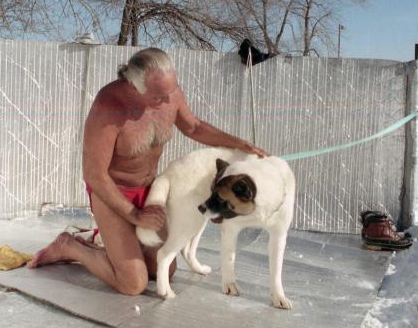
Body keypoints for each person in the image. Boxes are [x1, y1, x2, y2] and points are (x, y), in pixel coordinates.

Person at [27, 48, 266, 294]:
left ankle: (117, 252)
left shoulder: (169, 93)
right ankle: (70, 246)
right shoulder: (109, 106)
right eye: (159, 96)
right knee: (133, 283)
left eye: (171, 91)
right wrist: (134, 215)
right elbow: (94, 175)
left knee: (162, 268)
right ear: (134, 85)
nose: (168, 100)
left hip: (149, 189)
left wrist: (239, 143)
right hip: (112, 192)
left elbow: (193, 127)